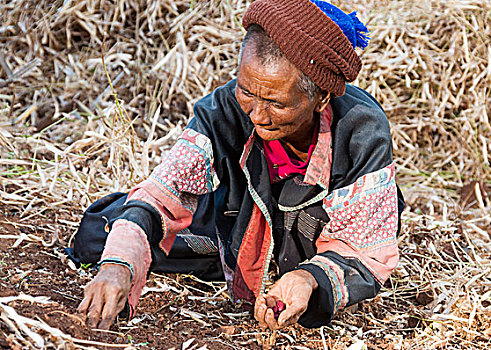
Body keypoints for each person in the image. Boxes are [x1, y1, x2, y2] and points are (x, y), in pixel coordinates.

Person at [76, 0, 405, 331]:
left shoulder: (360, 130)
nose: (258, 116)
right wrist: (118, 265)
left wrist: (308, 277)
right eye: (247, 92)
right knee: (101, 234)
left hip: (314, 230)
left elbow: (364, 247)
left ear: (320, 99)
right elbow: (166, 190)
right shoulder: (224, 108)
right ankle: (239, 256)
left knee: (308, 278)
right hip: (241, 216)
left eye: (276, 103)